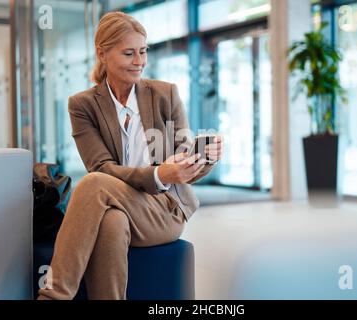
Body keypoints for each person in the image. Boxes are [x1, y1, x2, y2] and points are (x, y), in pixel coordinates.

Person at [37, 11, 222, 300]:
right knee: (111, 221)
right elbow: (101, 166)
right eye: (129, 53)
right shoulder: (83, 105)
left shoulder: (165, 95)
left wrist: (204, 158)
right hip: (119, 206)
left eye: (143, 51)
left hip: (163, 209)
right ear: (103, 54)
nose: (140, 61)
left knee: (91, 184)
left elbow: (185, 158)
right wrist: (158, 174)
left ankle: (53, 295)